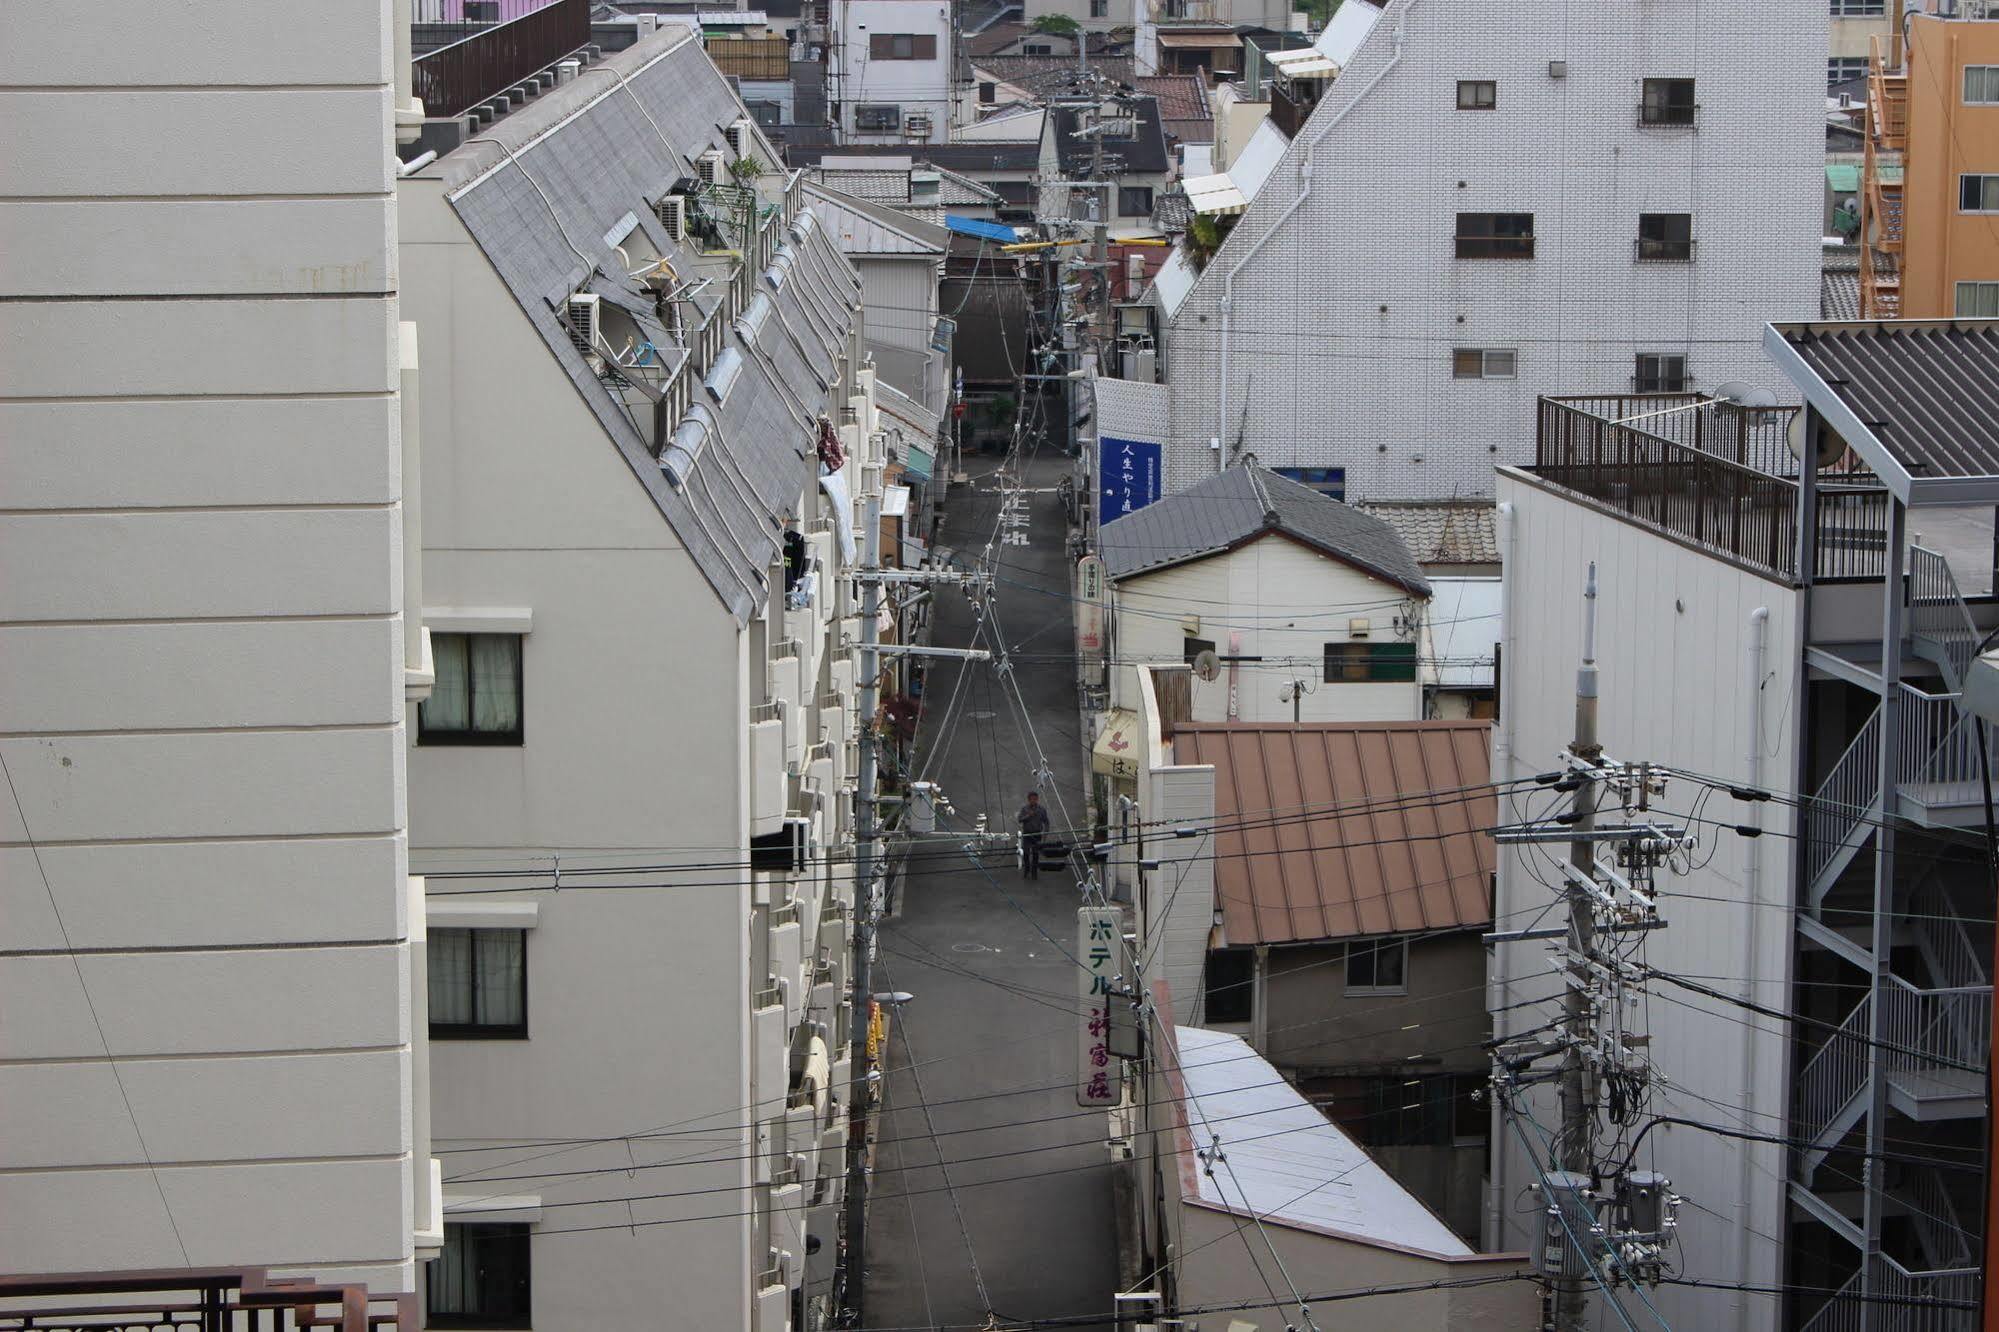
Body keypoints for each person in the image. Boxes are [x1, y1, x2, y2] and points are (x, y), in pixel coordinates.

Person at [1017, 790, 1051, 879]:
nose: (1033, 801)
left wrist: (1045, 834)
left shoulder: (1042, 809)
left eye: (1035, 799)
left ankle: (1034, 871)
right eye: (1031, 799)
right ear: (1028, 800)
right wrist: (1028, 815)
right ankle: (1027, 868)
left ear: (1037, 799)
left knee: (1036, 854)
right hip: (1027, 834)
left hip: (1037, 834)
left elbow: (1046, 822)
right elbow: (1020, 819)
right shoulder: (1024, 809)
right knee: (1026, 853)